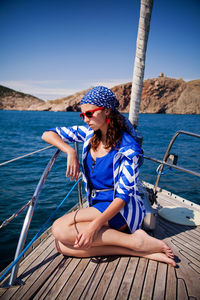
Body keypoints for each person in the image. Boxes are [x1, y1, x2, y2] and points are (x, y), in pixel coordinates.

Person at [42, 86, 176, 266]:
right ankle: (139, 248)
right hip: (98, 205)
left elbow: (122, 198)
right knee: (62, 246)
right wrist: (69, 151)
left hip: (120, 210)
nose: (85, 119)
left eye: (89, 114)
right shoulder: (90, 134)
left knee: (59, 229)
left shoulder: (127, 149)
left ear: (106, 111)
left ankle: (133, 240)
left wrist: (93, 227)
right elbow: (48, 133)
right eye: (82, 116)